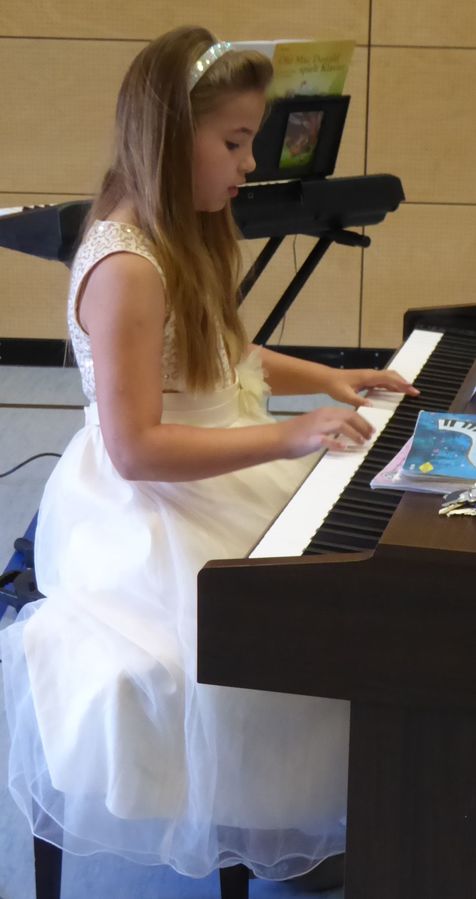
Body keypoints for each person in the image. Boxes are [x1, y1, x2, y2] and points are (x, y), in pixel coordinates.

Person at [1, 25, 418, 883]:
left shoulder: (180, 230)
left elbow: (220, 353)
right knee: (287, 624)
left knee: (343, 586)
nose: (250, 163)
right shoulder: (126, 266)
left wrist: (328, 377)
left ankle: (300, 806)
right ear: (168, 135)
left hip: (210, 465)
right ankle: (272, 813)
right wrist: (291, 432)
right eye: (234, 142)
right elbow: (136, 449)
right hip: (148, 507)